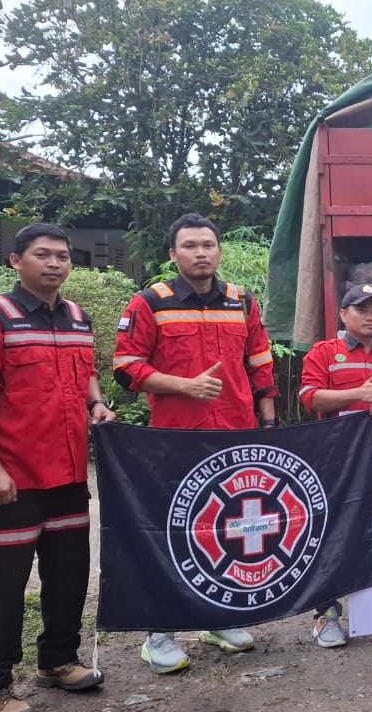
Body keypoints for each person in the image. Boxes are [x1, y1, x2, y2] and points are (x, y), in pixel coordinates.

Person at [0, 223, 115, 712]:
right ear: (16, 261)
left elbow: (86, 373)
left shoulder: (78, 317)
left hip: (69, 476)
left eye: (62, 256)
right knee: (2, 585)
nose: (54, 263)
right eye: (42, 254)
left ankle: (58, 661)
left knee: (69, 575)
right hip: (13, 480)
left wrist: (97, 404)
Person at [113, 213, 277, 673]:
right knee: (171, 529)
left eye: (208, 244)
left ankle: (218, 618)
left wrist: (268, 424)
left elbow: (261, 364)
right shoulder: (151, 302)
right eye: (190, 246)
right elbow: (125, 367)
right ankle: (159, 633)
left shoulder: (242, 301)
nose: (200, 253)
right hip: (175, 438)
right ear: (173, 254)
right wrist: (182, 386)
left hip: (235, 433)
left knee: (226, 527)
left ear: (219, 251)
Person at [298, 283, 372, 647]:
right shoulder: (324, 352)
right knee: (334, 534)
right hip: (337, 461)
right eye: (362, 310)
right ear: (343, 314)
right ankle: (326, 615)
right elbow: (309, 397)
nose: (370, 317)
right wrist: (357, 394)